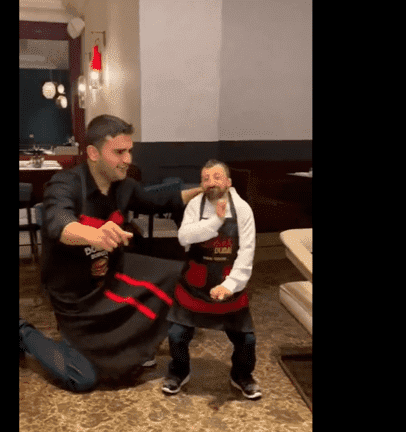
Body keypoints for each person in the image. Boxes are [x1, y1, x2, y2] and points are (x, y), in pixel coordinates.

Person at [19, 114, 203, 392]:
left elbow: (158, 200)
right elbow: (57, 220)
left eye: (129, 151)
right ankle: (23, 332)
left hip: (112, 275)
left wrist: (203, 191)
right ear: (93, 153)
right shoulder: (66, 183)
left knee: (180, 275)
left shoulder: (124, 186)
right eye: (119, 152)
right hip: (75, 296)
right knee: (83, 378)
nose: (128, 159)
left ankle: (138, 346)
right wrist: (92, 235)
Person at [161, 160, 262, 399]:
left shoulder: (243, 209)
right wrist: (216, 221)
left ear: (228, 182)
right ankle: (179, 371)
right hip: (194, 286)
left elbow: (246, 252)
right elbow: (184, 237)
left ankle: (242, 375)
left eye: (217, 177)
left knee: (246, 339)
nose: (210, 183)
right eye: (205, 179)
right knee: (176, 335)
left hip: (229, 286)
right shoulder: (195, 205)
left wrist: (230, 286)